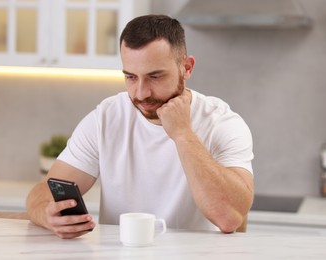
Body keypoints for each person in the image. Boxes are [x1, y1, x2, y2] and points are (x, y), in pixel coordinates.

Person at [26, 14, 254, 239]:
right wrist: (47, 214)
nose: (141, 93)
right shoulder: (106, 118)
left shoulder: (222, 123)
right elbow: (42, 193)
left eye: (155, 76)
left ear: (187, 67)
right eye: (131, 77)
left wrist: (182, 133)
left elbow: (229, 217)